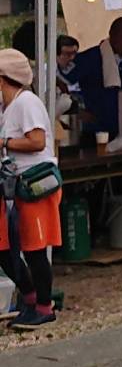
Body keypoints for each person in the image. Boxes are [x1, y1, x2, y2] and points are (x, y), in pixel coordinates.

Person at [0, 49, 60, 330]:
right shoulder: (9, 106)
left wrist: (4, 144)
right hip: (20, 183)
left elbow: (37, 141)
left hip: (37, 182)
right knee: (17, 247)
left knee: (35, 249)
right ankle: (33, 299)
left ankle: (45, 307)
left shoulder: (26, 102)